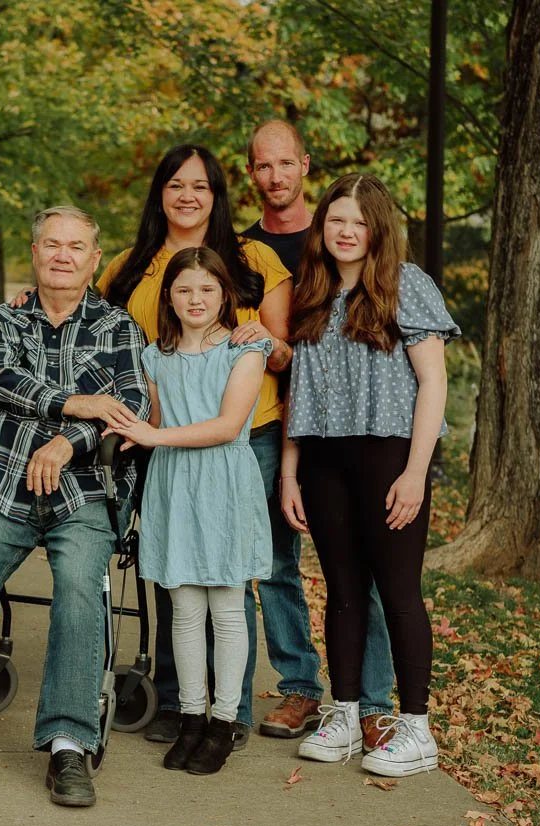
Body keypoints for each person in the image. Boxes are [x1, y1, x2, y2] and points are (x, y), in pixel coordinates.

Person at [0, 206, 149, 808]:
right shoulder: (4, 320)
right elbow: (0, 382)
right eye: (52, 245)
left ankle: (68, 743)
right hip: (7, 486)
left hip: (86, 491)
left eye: (76, 247)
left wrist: (68, 442)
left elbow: (131, 406)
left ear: (95, 260)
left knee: (79, 589)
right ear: (35, 253)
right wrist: (76, 405)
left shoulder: (119, 326)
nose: (63, 255)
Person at [96, 143, 290, 749]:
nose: (187, 195)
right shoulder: (130, 267)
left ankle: (229, 715)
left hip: (243, 436)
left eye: (200, 185)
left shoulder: (253, 257)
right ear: (159, 194)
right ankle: (184, 705)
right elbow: (90, 324)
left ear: (217, 194)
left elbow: (284, 349)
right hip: (169, 452)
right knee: (179, 589)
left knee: (232, 586)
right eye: (175, 184)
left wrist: (266, 343)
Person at [280, 173, 459, 777]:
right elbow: (300, 390)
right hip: (323, 460)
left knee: (399, 592)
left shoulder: (407, 286)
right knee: (343, 591)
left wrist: (416, 472)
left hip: (389, 456)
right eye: (336, 220)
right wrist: (289, 474)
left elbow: (433, 382)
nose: (346, 231)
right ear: (322, 227)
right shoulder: (312, 289)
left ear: (378, 228)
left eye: (359, 222)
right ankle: (345, 714)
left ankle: (417, 730)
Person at [240, 120, 397, 749]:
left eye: (285, 163)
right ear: (251, 173)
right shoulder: (243, 250)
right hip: (277, 426)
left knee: (360, 570)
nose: (275, 176)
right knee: (277, 562)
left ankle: (372, 700)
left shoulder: (339, 233)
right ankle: (301, 686)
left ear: (304, 164)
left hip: (346, 434)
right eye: (263, 165)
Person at [105, 247, 272, 776]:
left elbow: (227, 425)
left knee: (227, 608)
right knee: (184, 609)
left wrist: (153, 436)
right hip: (174, 484)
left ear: (224, 294)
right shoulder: (156, 357)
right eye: (183, 290)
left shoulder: (245, 350)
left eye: (206, 289)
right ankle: (191, 717)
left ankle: (224, 721)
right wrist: (130, 431)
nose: (195, 299)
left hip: (223, 481)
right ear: (169, 297)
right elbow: (153, 421)